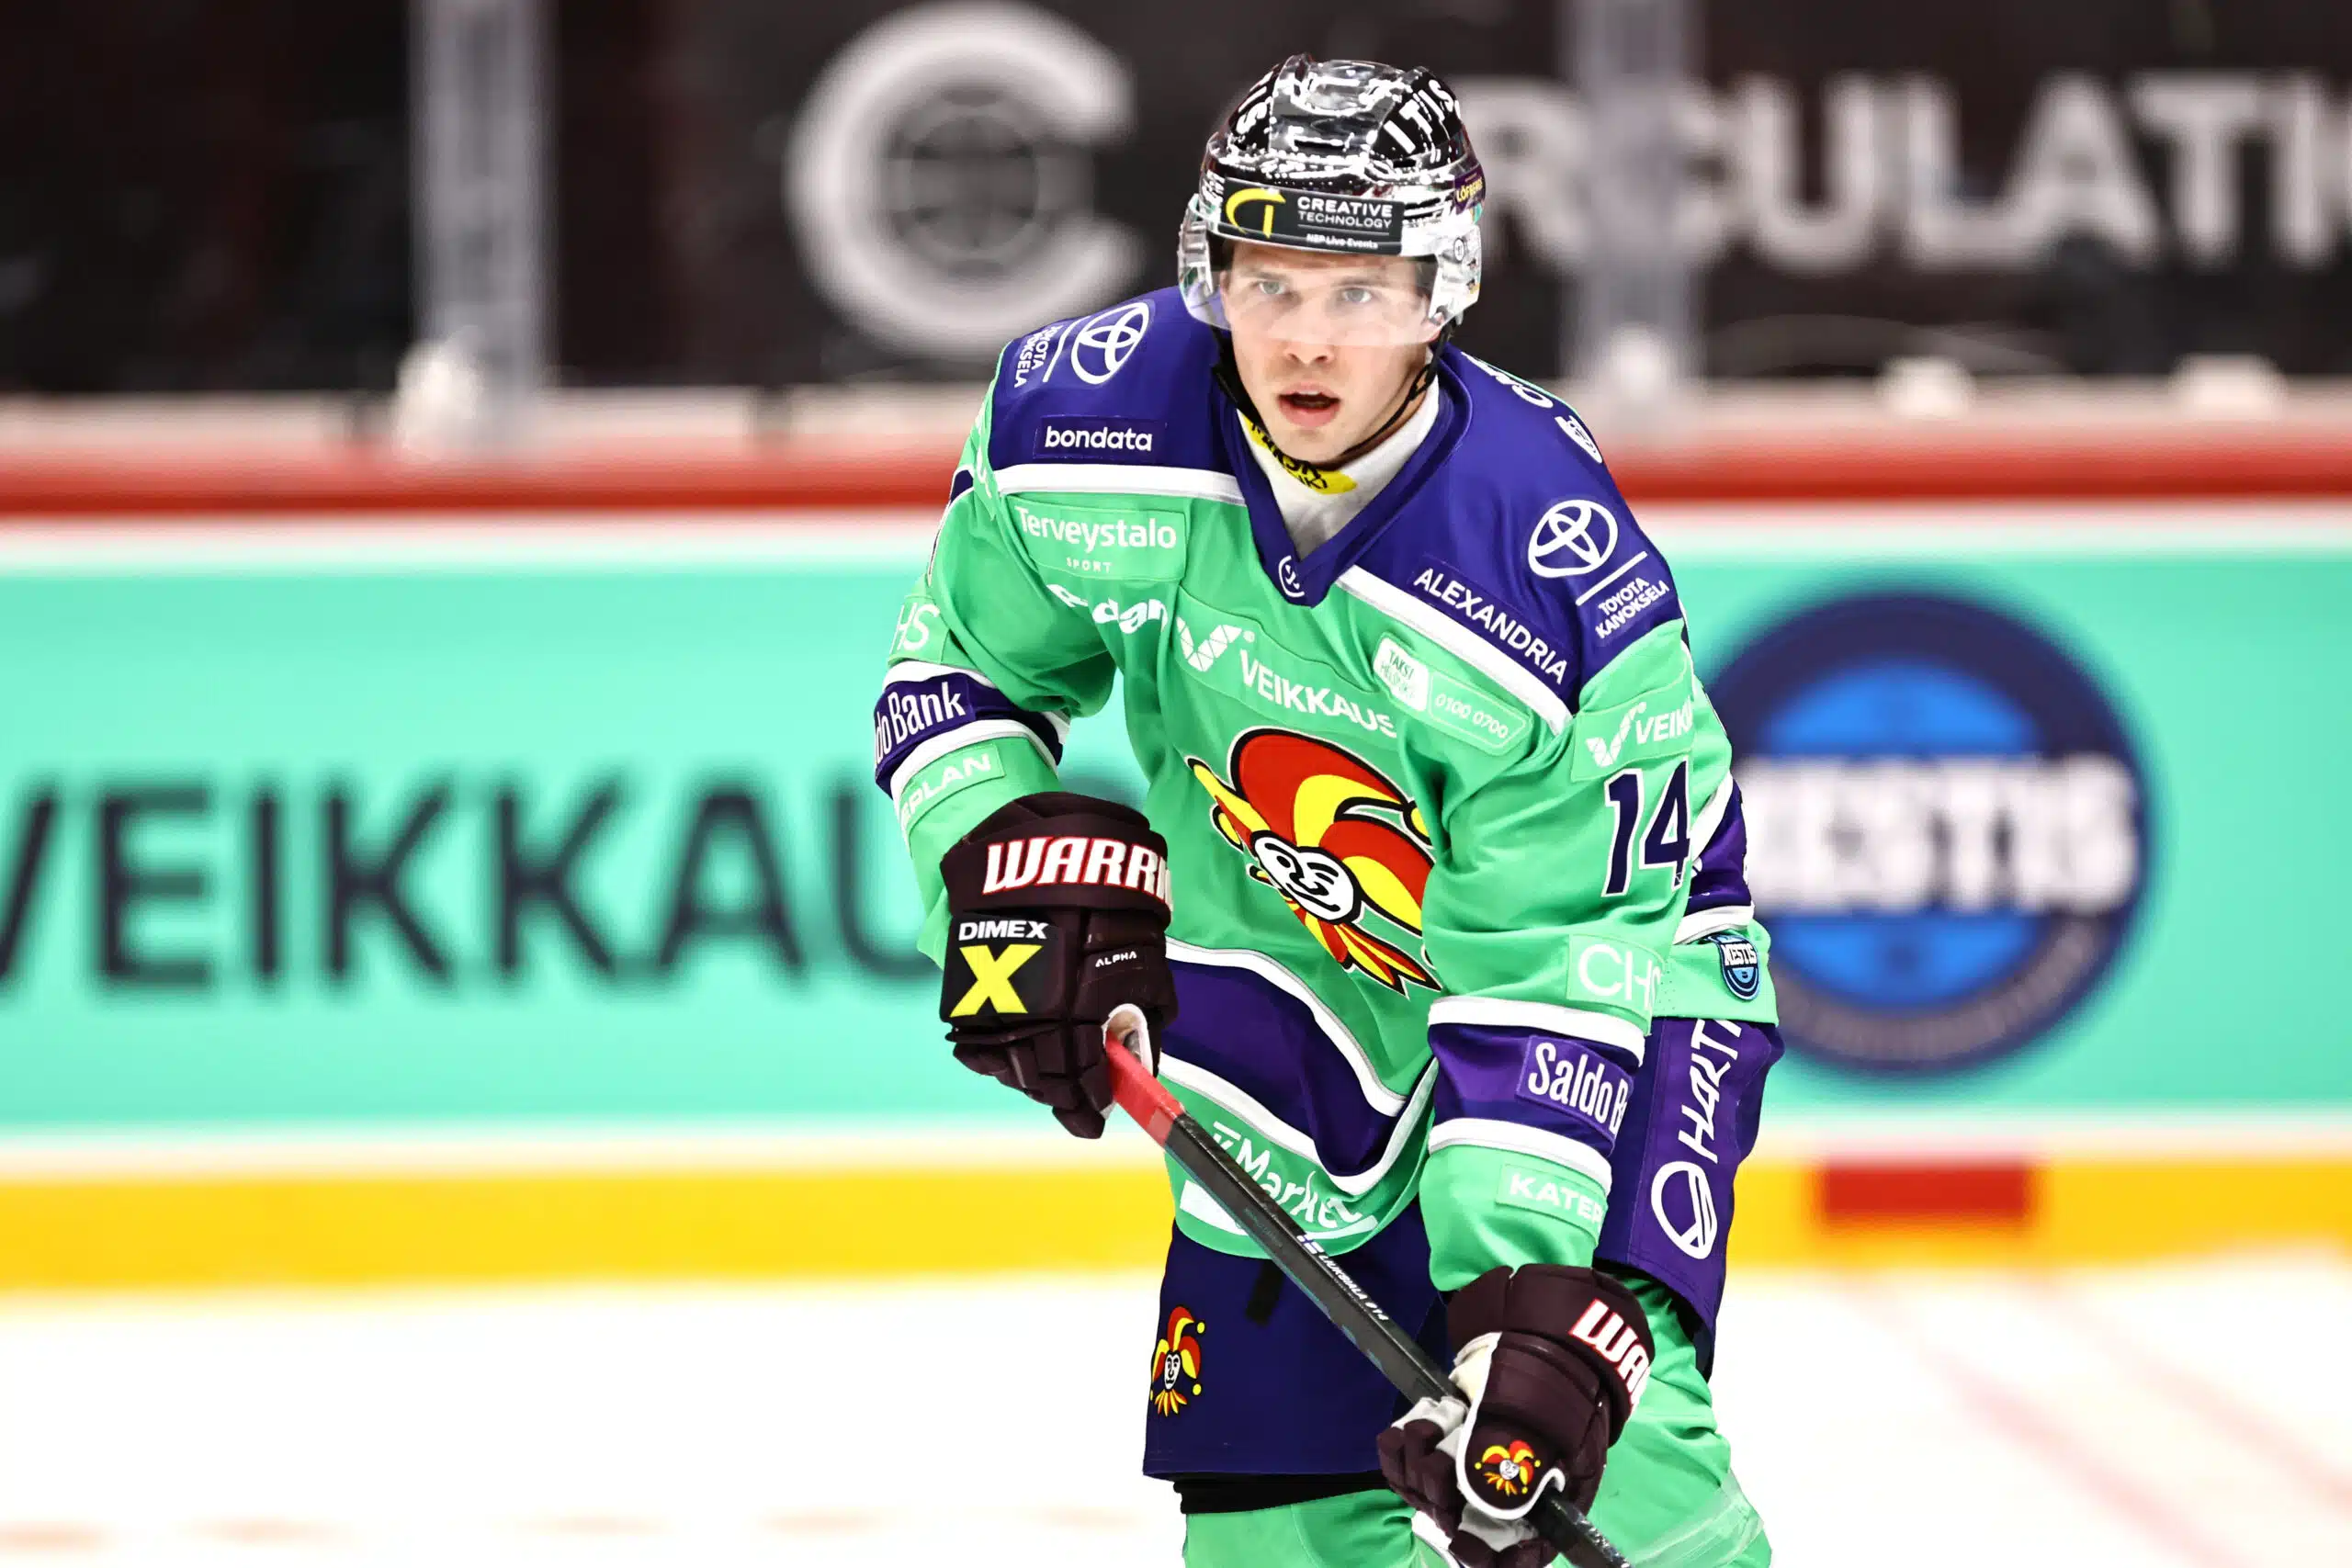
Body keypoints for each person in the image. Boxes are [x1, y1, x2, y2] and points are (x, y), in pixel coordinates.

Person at [873, 54, 1779, 1568]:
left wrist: (1513, 1289)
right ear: (1210, 270)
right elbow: (958, 670)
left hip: (1625, 975)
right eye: (1270, 281)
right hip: (1290, 949)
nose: (1305, 336)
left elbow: (1553, 957)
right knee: (1278, 1521)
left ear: (1440, 293)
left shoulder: (1542, 559)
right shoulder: (1080, 422)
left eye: (1360, 292)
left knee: (1584, 1436)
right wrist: (986, 860)